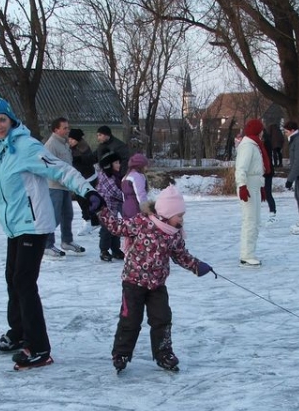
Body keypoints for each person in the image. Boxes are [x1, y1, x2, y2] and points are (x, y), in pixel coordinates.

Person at [0, 91, 103, 370]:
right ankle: (19, 333)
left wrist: (88, 191)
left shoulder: (26, 147)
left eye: (2, 119)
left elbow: (61, 170)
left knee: (23, 282)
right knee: (12, 278)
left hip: (34, 224)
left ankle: (39, 347)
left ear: (11, 119)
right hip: (14, 227)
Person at [96, 184, 214, 373]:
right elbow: (117, 226)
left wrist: (196, 266)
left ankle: (163, 353)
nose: (182, 220)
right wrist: (101, 210)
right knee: (131, 319)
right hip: (133, 282)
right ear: (167, 212)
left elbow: (180, 255)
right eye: (179, 215)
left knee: (162, 318)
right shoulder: (142, 223)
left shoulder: (173, 235)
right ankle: (121, 353)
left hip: (157, 284)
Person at [44, 117, 85, 258]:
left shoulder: (65, 144)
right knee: (53, 216)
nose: (68, 130)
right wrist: (61, 179)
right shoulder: (51, 145)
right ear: (56, 129)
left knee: (67, 215)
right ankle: (47, 244)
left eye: (68, 127)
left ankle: (67, 240)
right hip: (54, 186)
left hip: (65, 186)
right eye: (65, 128)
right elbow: (48, 167)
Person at [235, 118, 271, 267]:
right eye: (261, 130)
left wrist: (261, 187)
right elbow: (241, 168)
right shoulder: (248, 146)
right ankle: (246, 255)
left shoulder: (255, 145)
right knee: (250, 220)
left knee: (256, 221)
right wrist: (242, 186)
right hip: (248, 186)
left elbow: (258, 170)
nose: (263, 133)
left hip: (254, 185)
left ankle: (250, 252)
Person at [68, 128, 100, 236]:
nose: (70, 141)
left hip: (87, 178)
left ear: (77, 139)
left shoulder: (82, 149)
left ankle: (90, 221)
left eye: (72, 139)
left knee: (84, 200)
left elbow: (85, 160)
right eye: (69, 139)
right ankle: (91, 220)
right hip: (80, 178)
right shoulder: (73, 147)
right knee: (82, 200)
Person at [96, 151, 125, 260]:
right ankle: (104, 251)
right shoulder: (105, 176)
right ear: (109, 164)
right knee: (106, 229)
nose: (119, 165)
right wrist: (128, 197)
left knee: (115, 227)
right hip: (105, 208)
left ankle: (115, 249)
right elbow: (115, 192)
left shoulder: (115, 175)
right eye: (116, 163)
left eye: (119, 163)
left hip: (113, 207)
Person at [262, 126, 277, 224]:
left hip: (267, 171)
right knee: (264, 193)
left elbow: (266, 157)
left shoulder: (266, 142)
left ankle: (273, 213)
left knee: (267, 192)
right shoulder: (264, 142)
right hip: (264, 171)